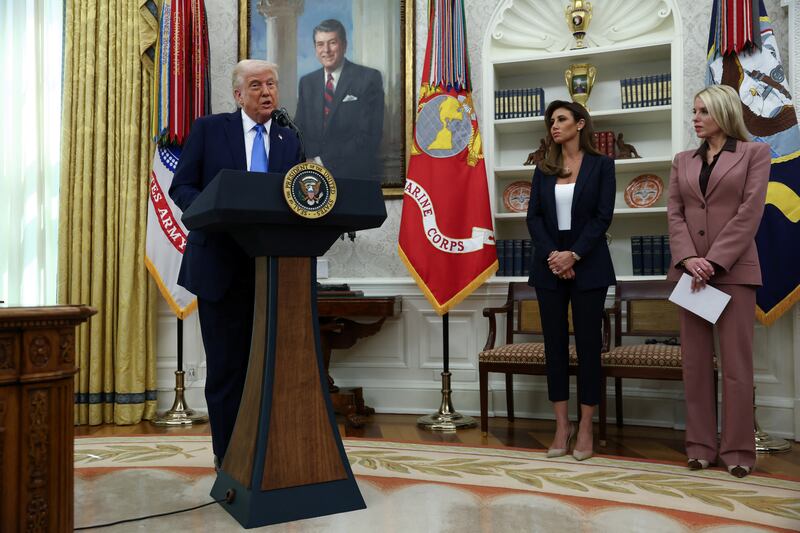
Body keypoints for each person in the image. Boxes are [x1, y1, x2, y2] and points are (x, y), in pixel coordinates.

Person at [169, 60, 303, 467]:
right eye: (257, 85)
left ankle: (265, 453)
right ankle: (228, 458)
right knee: (227, 371)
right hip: (220, 268)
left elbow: (295, 196)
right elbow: (183, 186)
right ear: (238, 94)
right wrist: (212, 210)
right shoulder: (210, 130)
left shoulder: (288, 139)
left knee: (267, 371)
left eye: (272, 84)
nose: (267, 92)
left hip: (272, 270)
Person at [667, 84, 770, 478]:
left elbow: (750, 213)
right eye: (694, 111)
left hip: (734, 273)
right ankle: (699, 447)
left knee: (736, 367)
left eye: (703, 111)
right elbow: (674, 212)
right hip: (690, 274)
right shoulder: (682, 161)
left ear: (724, 114)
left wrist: (713, 261)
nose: (695, 118)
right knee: (694, 365)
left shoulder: (754, 154)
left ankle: (739, 451)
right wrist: (690, 259)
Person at [526, 100, 616, 461]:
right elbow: (533, 217)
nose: (554, 126)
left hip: (588, 265)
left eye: (561, 119)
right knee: (555, 347)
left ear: (580, 124)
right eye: (551, 121)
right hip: (549, 266)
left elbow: (602, 217)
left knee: (590, 347)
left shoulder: (602, 165)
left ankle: (587, 426)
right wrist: (555, 256)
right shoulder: (543, 167)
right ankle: (562, 426)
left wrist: (573, 255)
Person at [294, 18, 384, 181]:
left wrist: (320, 162)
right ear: (315, 48)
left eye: (332, 42)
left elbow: (369, 135)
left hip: (354, 178)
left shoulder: (368, 78)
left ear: (344, 45)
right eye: (320, 44)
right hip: (313, 180)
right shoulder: (307, 83)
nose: (326, 50)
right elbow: (299, 130)